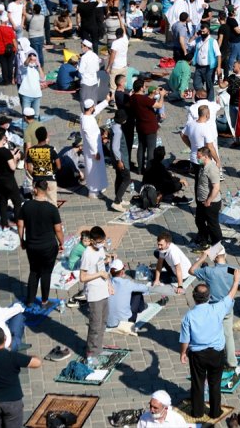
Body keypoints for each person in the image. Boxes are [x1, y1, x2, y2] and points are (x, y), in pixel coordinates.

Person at [179, 267, 240, 419]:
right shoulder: (217, 309)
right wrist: (236, 281)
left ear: (194, 297)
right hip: (216, 353)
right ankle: (215, 412)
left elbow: (185, 339)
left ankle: (197, 412)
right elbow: (230, 296)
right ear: (209, 297)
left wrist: (183, 353)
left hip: (197, 355)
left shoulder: (189, 316)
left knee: (197, 383)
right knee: (215, 383)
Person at [189, 244, 240, 369]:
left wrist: (202, 257)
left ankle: (208, 355)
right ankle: (232, 362)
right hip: (227, 308)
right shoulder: (232, 269)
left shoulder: (208, 271)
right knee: (228, 334)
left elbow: (191, 270)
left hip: (212, 308)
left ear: (213, 258)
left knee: (209, 332)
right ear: (225, 256)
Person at [17, 181, 63, 308]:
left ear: (35, 189)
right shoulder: (52, 208)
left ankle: (30, 300)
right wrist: (61, 242)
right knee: (46, 273)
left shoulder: (26, 206)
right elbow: (58, 229)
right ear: (47, 189)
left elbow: (20, 224)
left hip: (32, 245)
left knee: (34, 271)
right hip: (48, 246)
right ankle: (44, 301)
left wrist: (22, 240)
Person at [80, 226, 112, 358]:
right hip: (94, 294)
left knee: (103, 322)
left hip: (104, 290)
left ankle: (98, 348)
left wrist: (109, 284)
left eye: (103, 241)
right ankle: (91, 354)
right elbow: (82, 278)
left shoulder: (100, 250)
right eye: (100, 241)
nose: (102, 243)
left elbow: (102, 268)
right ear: (92, 241)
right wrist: (99, 274)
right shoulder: (87, 255)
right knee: (95, 325)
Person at [0, 128, 23, 230]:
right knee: (17, 201)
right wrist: (16, 157)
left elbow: (1, 160)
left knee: (3, 201)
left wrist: (11, 155)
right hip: (8, 179)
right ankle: (17, 220)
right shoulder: (5, 151)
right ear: (4, 137)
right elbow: (12, 167)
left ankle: (4, 223)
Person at [81, 97, 111, 199]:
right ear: (90, 108)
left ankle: (98, 187)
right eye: (93, 106)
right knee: (93, 170)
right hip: (92, 150)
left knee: (97, 168)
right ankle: (93, 190)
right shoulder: (86, 121)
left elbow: (96, 110)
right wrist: (95, 152)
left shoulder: (86, 116)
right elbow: (89, 138)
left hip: (95, 148)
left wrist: (106, 101)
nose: (94, 107)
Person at [106, 259, 150, 328]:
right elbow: (144, 288)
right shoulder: (127, 283)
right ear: (122, 272)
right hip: (125, 323)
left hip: (109, 322)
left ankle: (141, 307)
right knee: (137, 292)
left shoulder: (106, 283)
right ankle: (141, 308)